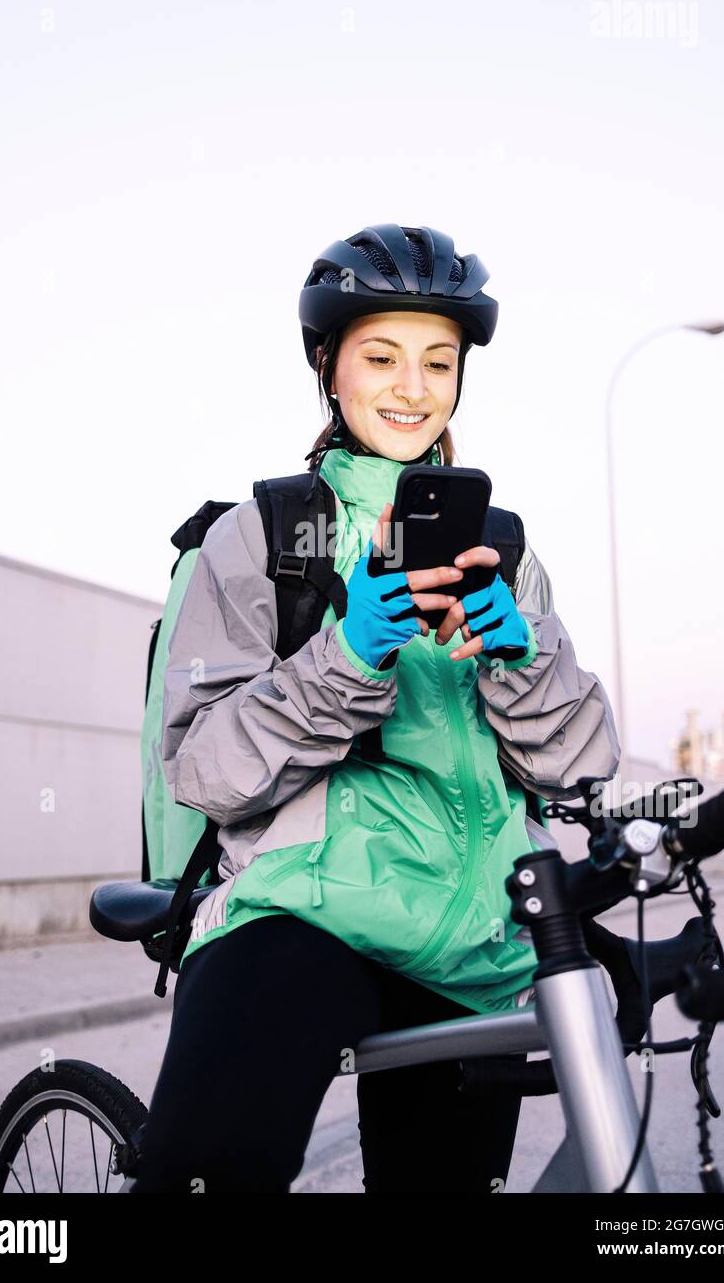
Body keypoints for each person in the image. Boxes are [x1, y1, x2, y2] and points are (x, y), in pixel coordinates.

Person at [129, 224, 621, 1194]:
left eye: (438, 361)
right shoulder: (261, 536)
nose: (411, 386)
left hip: (470, 936)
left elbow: (580, 763)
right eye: (382, 356)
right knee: (206, 1176)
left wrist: (517, 659)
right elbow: (200, 769)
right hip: (297, 915)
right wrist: (344, 654)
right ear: (329, 365)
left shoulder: (504, 549)